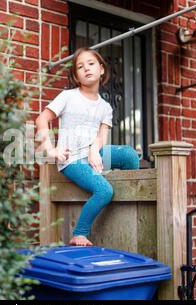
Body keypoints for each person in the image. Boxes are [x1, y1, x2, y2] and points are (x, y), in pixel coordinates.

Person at [35, 47, 140, 246]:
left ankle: (128, 198)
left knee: (129, 155)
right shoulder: (68, 97)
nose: (86, 69)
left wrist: (93, 149)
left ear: (101, 69)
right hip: (72, 160)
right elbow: (42, 119)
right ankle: (79, 233)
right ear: (76, 75)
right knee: (104, 191)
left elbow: (101, 137)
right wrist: (51, 149)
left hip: (93, 153)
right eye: (80, 67)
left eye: (91, 64)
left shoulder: (105, 107)